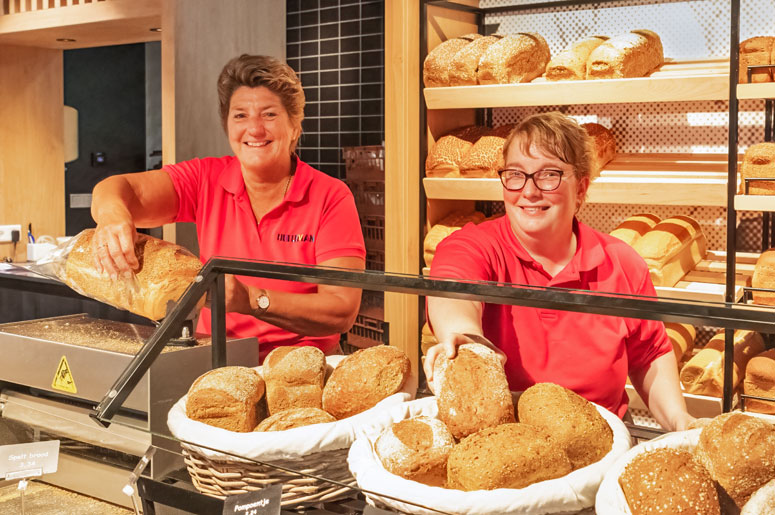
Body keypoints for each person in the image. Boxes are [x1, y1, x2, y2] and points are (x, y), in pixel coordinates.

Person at [423, 111, 694, 431]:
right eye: (515, 174)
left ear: (580, 189)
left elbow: (648, 354)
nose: (529, 191)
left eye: (548, 175)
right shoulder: (475, 245)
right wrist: (466, 339)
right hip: (503, 436)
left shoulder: (621, 262)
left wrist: (679, 420)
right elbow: (454, 289)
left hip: (602, 435)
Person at [90, 54, 366, 360]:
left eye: (269, 114)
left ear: (295, 125)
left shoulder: (330, 196)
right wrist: (112, 216)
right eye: (240, 116)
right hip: (218, 361)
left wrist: (251, 299)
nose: (255, 129)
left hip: (303, 365)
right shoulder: (205, 179)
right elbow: (117, 188)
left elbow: (341, 310)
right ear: (227, 125)